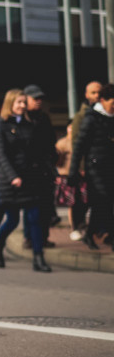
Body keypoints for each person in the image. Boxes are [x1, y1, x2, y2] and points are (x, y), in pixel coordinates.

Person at [0, 89, 53, 272]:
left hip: (30, 178)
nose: (23, 106)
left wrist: (45, 171)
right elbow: (1, 156)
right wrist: (13, 177)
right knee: (12, 220)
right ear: (10, 103)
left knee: (35, 218)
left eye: (24, 102)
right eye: (19, 102)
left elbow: (36, 152)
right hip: (11, 182)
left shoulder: (28, 124)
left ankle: (38, 259)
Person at [69, 83, 114, 251]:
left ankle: (91, 234)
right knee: (104, 200)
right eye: (112, 103)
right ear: (103, 101)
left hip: (109, 167)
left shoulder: (111, 118)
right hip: (94, 168)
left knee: (101, 203)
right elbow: (78, 146)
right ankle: (107, 235)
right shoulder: (91, 118)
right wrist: (74, 171)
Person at [22, 85, 57, 248]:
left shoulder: (44, 118)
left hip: (45, 169)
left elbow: (51, 143)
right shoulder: (21, 118)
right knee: (31, 206)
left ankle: (44, 237)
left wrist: (53, 162)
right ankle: (29, 238)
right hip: (28, 170)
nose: (38, 101)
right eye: (34, 98)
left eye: (40, 98)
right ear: (26, 99)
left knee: (45, 205)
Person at [69, 80, 103, 240]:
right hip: (87, 165)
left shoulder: (105, 113)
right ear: (86, 95)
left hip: (101, 163)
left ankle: (98, 229)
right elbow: (77, 143)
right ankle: (79, 226)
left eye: (99, 92)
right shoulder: (81, 116)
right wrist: (80, 166)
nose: (97, 96)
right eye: (93, 92)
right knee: (83, 199)